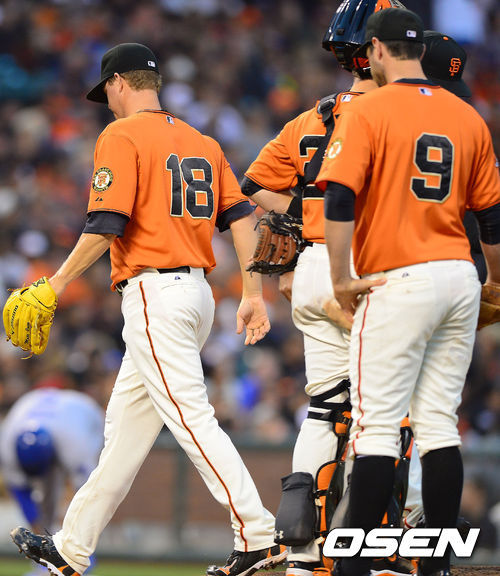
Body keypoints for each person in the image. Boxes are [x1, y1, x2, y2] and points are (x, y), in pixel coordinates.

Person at [9, 43, 286, 576]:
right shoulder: (202, 141)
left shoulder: (122, 134)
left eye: (107, 92)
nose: (107, 103)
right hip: (194, 295)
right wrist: (253, 293)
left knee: (190, 417)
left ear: (118, 82)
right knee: (125, 433)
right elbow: (242, 218)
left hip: (157, 296)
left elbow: (106, 223)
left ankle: (257, 533)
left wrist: (57, 283)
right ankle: (72, 548)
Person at [317, 8, 500, 576]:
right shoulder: (466, 114)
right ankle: (437, 565)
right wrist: (495, 281)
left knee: (375, 427)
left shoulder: (369, 109)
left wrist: (340, 276)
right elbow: (492, 216)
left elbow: (339, 198)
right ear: (419, 49)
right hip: (458, 275)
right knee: (439, 424)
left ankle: (352, 566)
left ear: (375, 49)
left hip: (399, 277)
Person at [242, 2, 419, 576]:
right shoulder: (402, 113)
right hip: (368, 266)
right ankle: (383, 545)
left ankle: (303, 552)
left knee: (324, 411)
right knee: (390, 411)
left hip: (314, 267)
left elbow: (253, 183)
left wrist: (305, 214)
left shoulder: (313, 117)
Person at [0, 387, 103, 575]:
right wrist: (37, 530)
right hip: (41, 408)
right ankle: (48, 560)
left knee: (83, 499)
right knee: (46, 501)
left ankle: (78, 558)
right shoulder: (7, 444)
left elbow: (89, 493)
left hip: (88, 417)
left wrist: (78, 539)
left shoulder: (76, 445)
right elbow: (21, 491)